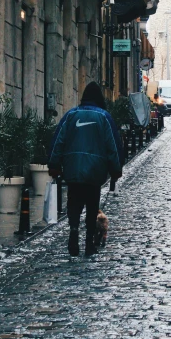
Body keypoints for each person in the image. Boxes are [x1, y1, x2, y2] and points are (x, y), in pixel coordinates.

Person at [48, 82, 124, 257]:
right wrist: (116, 169)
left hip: (72, 168)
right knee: (92, 205)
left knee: (74, 202)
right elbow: (112, 145)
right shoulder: (104, 117)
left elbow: (58, 141)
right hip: (95, 171)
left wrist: (54, 164)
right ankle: (89, 243)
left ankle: (73, 232)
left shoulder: (71, 115)